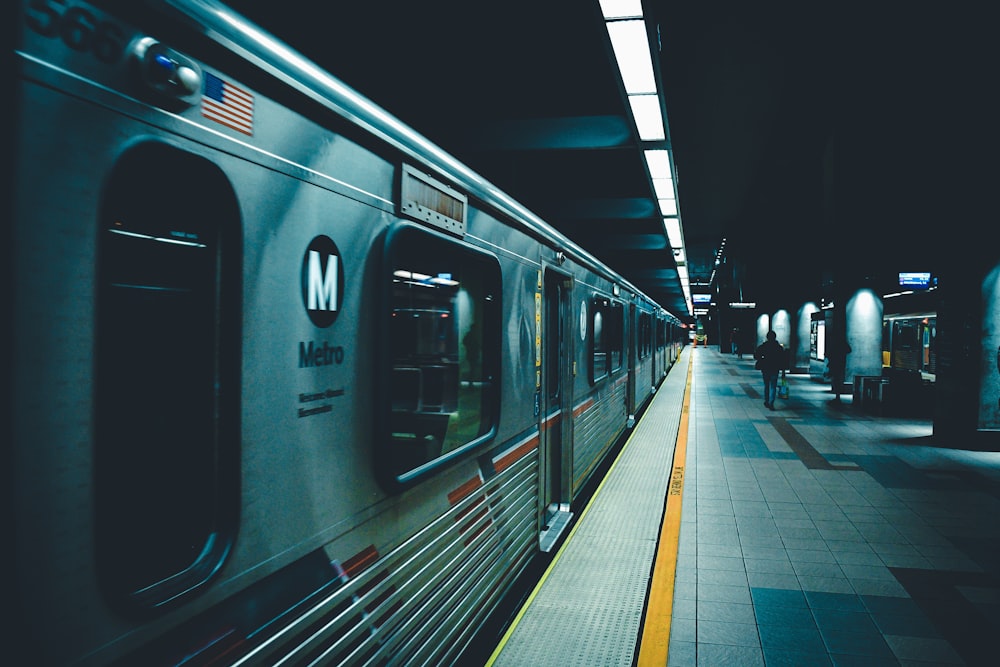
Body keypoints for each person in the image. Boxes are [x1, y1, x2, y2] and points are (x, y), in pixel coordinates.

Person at [754, 330, 785, 410]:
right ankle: (771, 402)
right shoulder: (779, 347)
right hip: (775, 368)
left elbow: (756, 356)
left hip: (765, 368)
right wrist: (783, 371)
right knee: (773, 386)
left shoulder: (763, 346)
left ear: (767, 337)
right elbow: (783, 360)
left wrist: (762, 359)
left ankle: (767, 401)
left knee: (766, 385)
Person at [826, 336, 851, 402]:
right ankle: (838, 395)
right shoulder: (842, 344)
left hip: (835, 363)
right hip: (840, 363)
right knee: (838, 379)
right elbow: (849, 350)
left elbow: (828, 353)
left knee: (836, 379)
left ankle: (837, 395)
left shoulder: (834, 344)